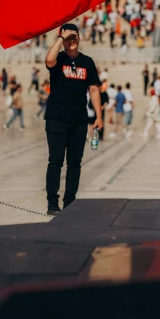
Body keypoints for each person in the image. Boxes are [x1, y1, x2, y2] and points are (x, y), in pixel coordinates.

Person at [44, 24, 102, 215]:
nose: (72, 40)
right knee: (55, 161)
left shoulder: (87, 62)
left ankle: (70, 201)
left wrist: (99, 116)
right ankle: (52, 203)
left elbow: (93, 89)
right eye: (69, 37)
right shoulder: (59, 59)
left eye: (75, 36)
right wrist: (61, 38)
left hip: (79, 120)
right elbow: (48, 60)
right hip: (56, 119)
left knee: (75, 163)